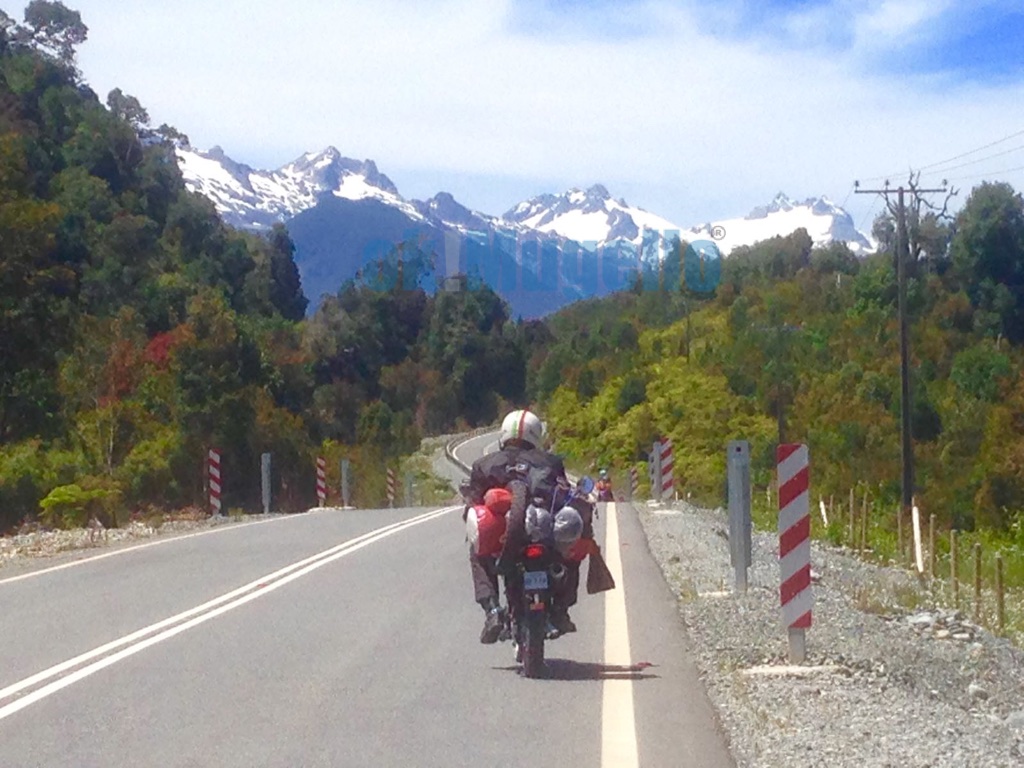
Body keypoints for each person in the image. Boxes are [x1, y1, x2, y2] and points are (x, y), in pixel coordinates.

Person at [463, 409, 590, 643]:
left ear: (503, 433)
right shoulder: (550, 462)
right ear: (536, 435)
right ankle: (561, 609)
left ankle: (492, 611)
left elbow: (471, 509)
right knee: (572, 550)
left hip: (504, 541)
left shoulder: (484, 464)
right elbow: (563, 496)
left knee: (477, 550)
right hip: (543, 536)